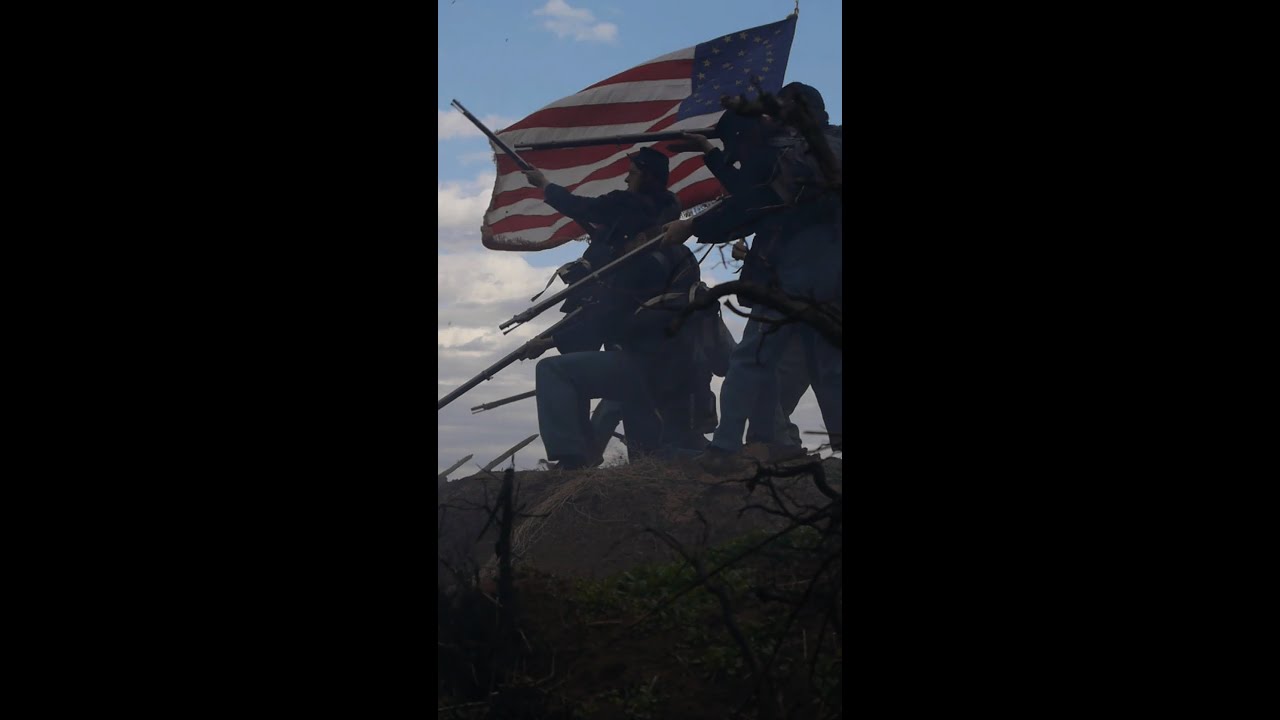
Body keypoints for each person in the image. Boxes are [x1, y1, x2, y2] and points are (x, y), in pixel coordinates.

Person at [662, 83, 843, 472]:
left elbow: (755, 199)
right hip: (832, 272)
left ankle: (725, 448)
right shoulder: (828, 145)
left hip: (794, 266)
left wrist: (693, 225)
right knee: (830, 366)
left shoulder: (792, 151)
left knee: (753, 357)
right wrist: (715, 153)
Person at [520, 150, 703, 469]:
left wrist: (549, 343)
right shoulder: (679, 256)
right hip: (673, 369)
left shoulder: (638, 264)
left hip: (644, 363)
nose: (626, 176)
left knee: (553, 370)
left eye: (632, 171)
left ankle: (574, 460)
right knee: (651, 459)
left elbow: (607, 318)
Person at [523, 148, 681, 354]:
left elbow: (578, 206)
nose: (626, 180)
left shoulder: (624, 204)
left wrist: (544, 184)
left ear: (647, 176)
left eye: (632, 174)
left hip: (613, 288)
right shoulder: (670, 205)